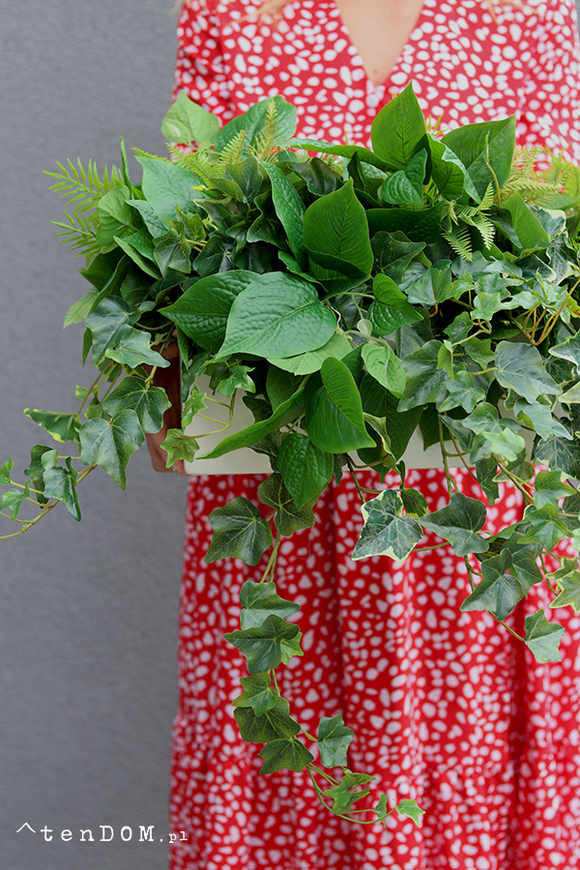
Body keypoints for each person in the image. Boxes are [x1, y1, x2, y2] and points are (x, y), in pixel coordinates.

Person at [148, 1, 580, 867]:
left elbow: (558, 253)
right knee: (286, 755)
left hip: (477, 518)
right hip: (284, 511)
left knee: (470, 762)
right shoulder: (229, 11)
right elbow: (184, 238)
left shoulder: (536, 12)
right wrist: (171, 393)